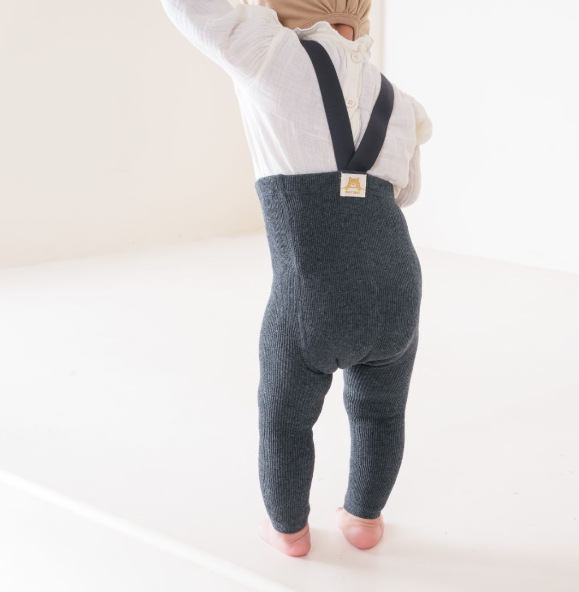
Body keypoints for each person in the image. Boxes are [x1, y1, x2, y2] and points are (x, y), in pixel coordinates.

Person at [160, 0, 433, 557]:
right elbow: (406, 193)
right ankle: (364, 520)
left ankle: (288, 531)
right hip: (399, 284)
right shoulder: (399, 103)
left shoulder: (268, 51)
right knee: (381, 411)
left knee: (285, 415)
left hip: (314, 291)